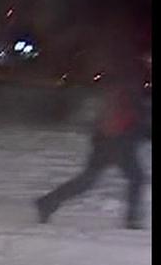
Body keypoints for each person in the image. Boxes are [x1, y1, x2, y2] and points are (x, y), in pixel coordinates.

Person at [36, 56, 151, 229]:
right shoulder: (129, 88)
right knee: (134, 178)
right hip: (116, 141)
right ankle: (132, 220)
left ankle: (47, 202)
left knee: (88, 181)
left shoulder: (125, 86)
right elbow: (133, 117)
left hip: (110, 140)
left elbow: (132, 117)